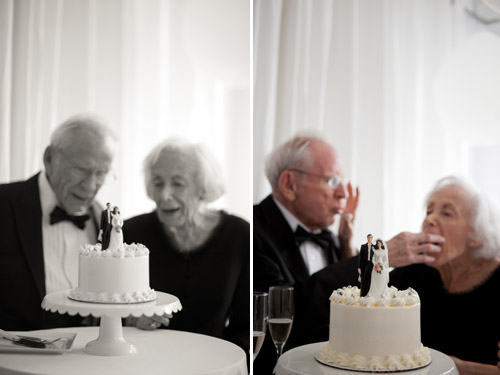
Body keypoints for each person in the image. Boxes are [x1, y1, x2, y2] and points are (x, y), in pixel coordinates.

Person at [253, 133, 445, 374]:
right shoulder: (254, 230)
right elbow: (282, 309)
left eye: (343, 182)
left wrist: (346, 246)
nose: (344, 194)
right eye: (333, 181)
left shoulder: (332, 238)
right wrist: (376, 258)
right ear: (289, 184)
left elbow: (347, 307)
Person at [123, 138, 249, 363]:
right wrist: (131, 320)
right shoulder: (129, 233)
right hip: (142, 363)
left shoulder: (239, 235)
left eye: (178, 183)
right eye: (158, 183)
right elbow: (104, 312)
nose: (164, 195)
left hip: (215, 366)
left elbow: (245, 329)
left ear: (203, 187)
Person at [0, 114, 117, 330]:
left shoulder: (104, 217)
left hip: (87, 356)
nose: (91, 186)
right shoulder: (4, 204)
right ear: (49, 158)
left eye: (101, 173)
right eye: (80, 169)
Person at [390, 176, 500, 374]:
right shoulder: (414, 269)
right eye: (429, 211)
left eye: (447, 213)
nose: (429, 219)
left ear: (476, 233)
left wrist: (458, 368)